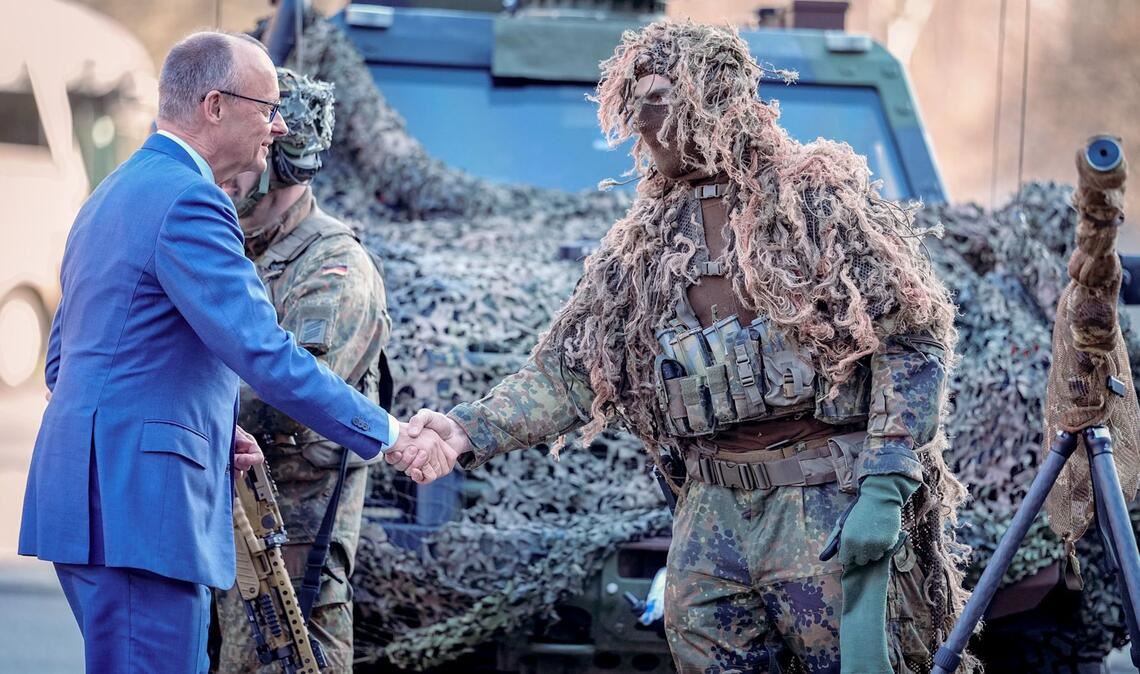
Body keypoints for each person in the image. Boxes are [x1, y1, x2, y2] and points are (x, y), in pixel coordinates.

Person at [389, 21, 973, 674]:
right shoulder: (643, 243)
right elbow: (571, 374)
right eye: (634, 100)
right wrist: (466, 429)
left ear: (716, 98)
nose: (644, 118)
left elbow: (911, 334)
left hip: (822, 502)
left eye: (662, 96)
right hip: (711, 513)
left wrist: (886, 485)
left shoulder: (815, 204)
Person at [17, 31, 444, 673]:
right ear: (215, 105)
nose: (276, 127)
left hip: (93, 504)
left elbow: (68, 366)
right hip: (143, 514)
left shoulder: (113, 192)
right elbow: (264, 351)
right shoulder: (192, 200)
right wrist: (386, 431)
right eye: (266, 107)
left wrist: (214, 430)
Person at [211, 67, 390, 673]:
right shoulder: (232, 244)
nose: (224, 174)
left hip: (291, 543)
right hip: (226, 516)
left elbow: (288, 394)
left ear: (282, 163)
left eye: (247, 154)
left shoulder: (333, 266)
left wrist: (172, 402)